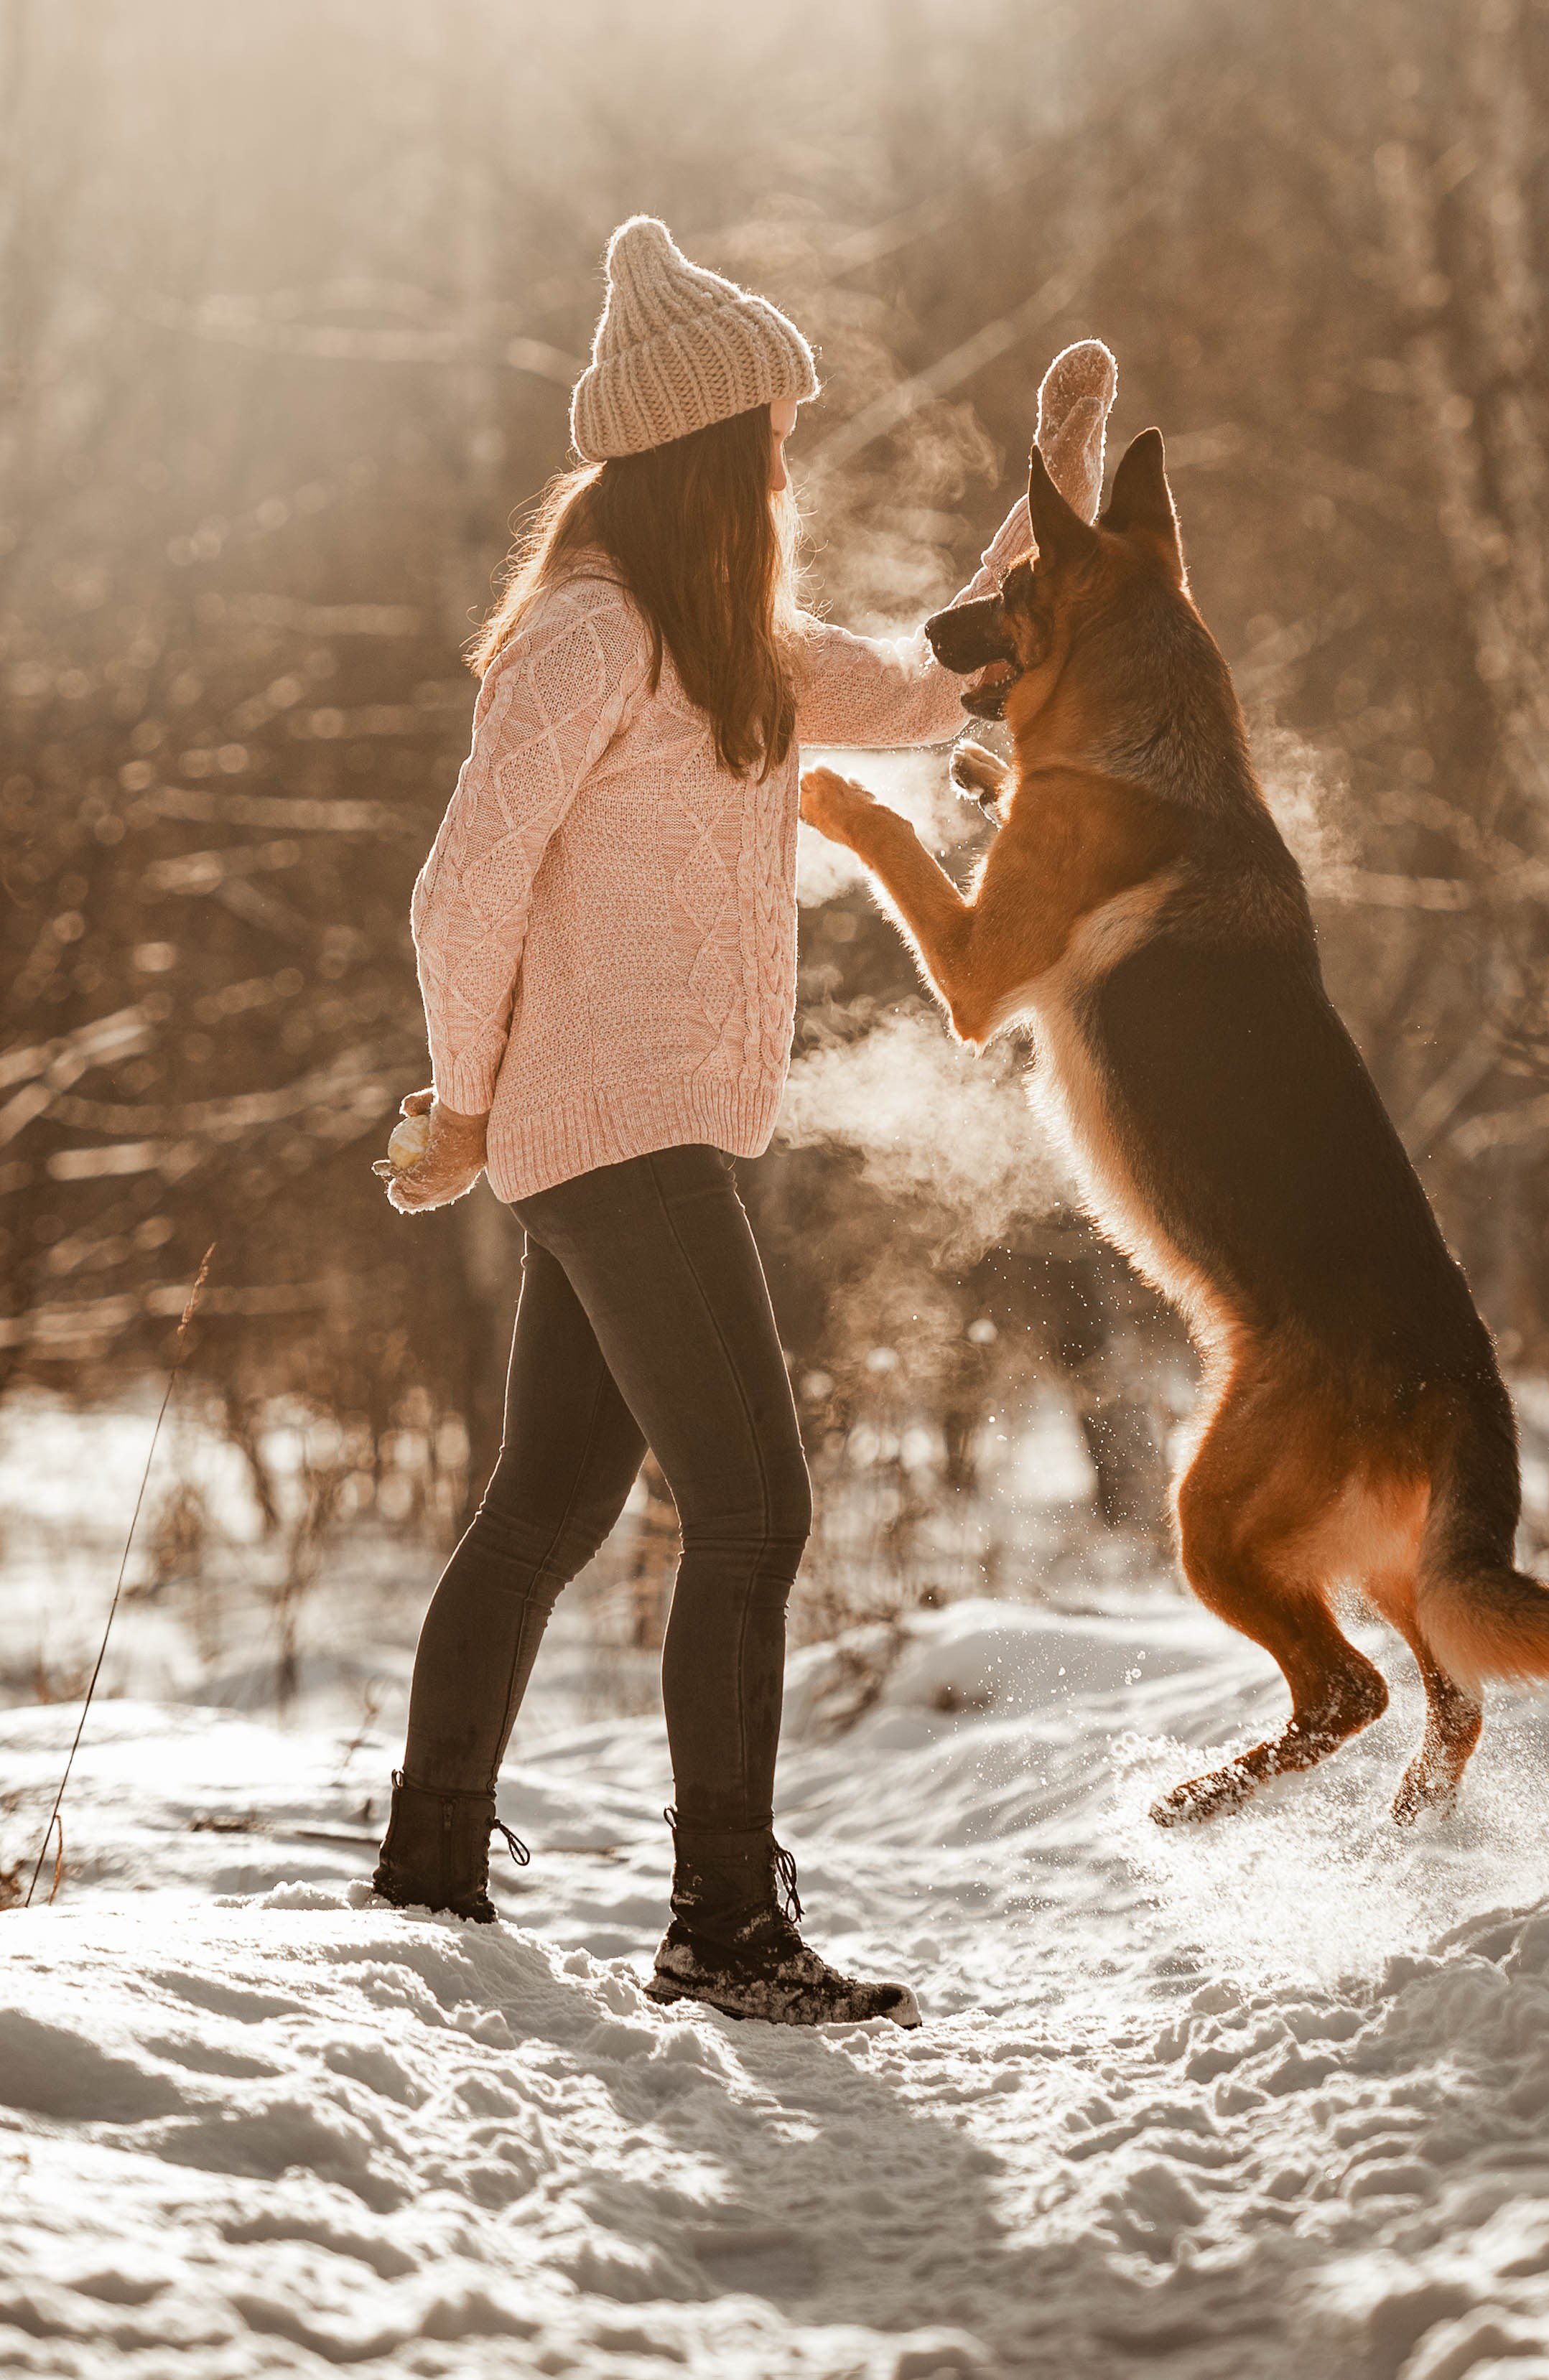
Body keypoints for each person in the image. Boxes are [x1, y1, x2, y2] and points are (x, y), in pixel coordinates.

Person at [371, 216, 1114, 2030]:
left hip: (653, 1136)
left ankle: (430, 1872)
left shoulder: (744, 653)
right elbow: (462, 893)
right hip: (600, 1133)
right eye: (771, 426)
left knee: (547, 1502)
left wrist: (1054, 505)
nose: (788, 455)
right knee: (754, 1508)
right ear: (709, 450)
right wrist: (463, 1103)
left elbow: (946, 682)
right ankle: (721, 1928)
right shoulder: (589, 638)